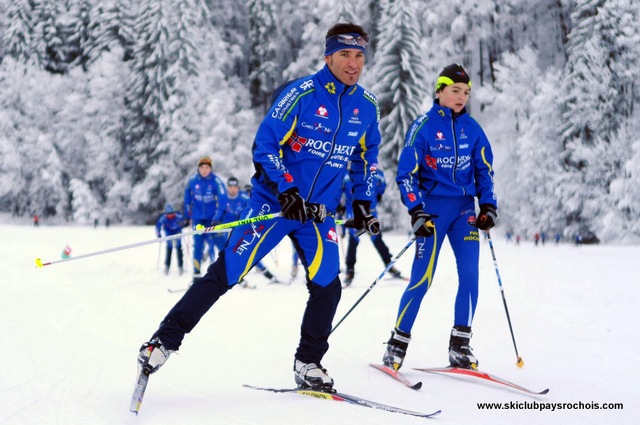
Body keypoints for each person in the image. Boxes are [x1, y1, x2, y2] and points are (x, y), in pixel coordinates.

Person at [136, 22, 380, 393]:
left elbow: (366, 158)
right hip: (275, 207)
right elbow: (265, 144)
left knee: (328, 285)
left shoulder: (367, 106)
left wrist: (363, 201)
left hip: (316, 216)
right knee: (226, 273)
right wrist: (287, 189)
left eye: (359, 55)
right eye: (344, 54)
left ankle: (309, 361)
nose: (353, 63)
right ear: (328, 56)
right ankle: (162, 343)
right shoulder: (301, 94)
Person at [381, 63, 497, 372]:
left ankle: (460, 344)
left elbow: (484, 171)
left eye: (466, 93)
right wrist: (416, 210)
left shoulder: (473, 129)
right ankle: (396, 344)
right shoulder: (423, 126)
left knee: (471, 276)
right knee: (422, 278)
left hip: (463, 211)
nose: (461, 97)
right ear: (440, 91)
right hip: (432, 211)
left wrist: (487, 206)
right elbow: (406, 175)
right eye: (455, 91)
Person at [341, 168, 403, 286]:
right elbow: (339, 190)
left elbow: (381, 188)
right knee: (353, 240)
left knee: (377, 239)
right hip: (353, 213)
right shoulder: (346, 174)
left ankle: (389, 265)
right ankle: (350, 271)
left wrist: (378, 197)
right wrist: (339, 205)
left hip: (370, 212)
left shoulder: (377, 173)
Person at [214, 176, 279, 285]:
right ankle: (237, 279)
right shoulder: (223, 198)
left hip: (242, 230)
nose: (233, 189)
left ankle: (266, 273)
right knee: (230, 254)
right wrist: (215, 221)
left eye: (235, 187)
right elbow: (219, 211)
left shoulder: (243, 196)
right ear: (227, 188)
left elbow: (254, 207)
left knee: (248, 251)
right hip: (228, 231)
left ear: (237, 187)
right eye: (230, 187)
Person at [183, 156, 227, 282]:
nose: (204, 170)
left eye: (207, 168)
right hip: (198, 219)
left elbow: (222, 200)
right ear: (198, 168)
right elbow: (187, 198)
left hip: (213, 219)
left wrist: (218, 217)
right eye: (202, 167)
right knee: (197, 245)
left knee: (221, 243)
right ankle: (196, 275)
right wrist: (188, 215)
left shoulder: (216, 181)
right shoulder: (192, 181)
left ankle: (229, 269)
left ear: (210, 169)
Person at [155, 204, 186, 275]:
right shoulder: (163, 218)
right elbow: (157, 227)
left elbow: (184, 222)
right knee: (169, 248)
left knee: (178, 247)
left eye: (171, 213)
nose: (170, 215)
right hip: (168, 232)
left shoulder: (178, 216)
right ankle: (167, 267)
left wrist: (183, 224)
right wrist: (159, 235)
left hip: (177, 231)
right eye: (168, 213)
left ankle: (180, 266)